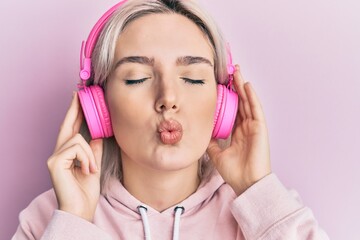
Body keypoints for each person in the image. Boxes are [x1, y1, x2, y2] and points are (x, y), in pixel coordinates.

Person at [12, 0, 329, 239]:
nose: (168, 98)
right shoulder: (49, 219)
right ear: (99, 107)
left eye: (192, 78)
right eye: (137, 78)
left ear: (223, 104)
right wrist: (75, 221)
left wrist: (255, 189)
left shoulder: (270, 213)